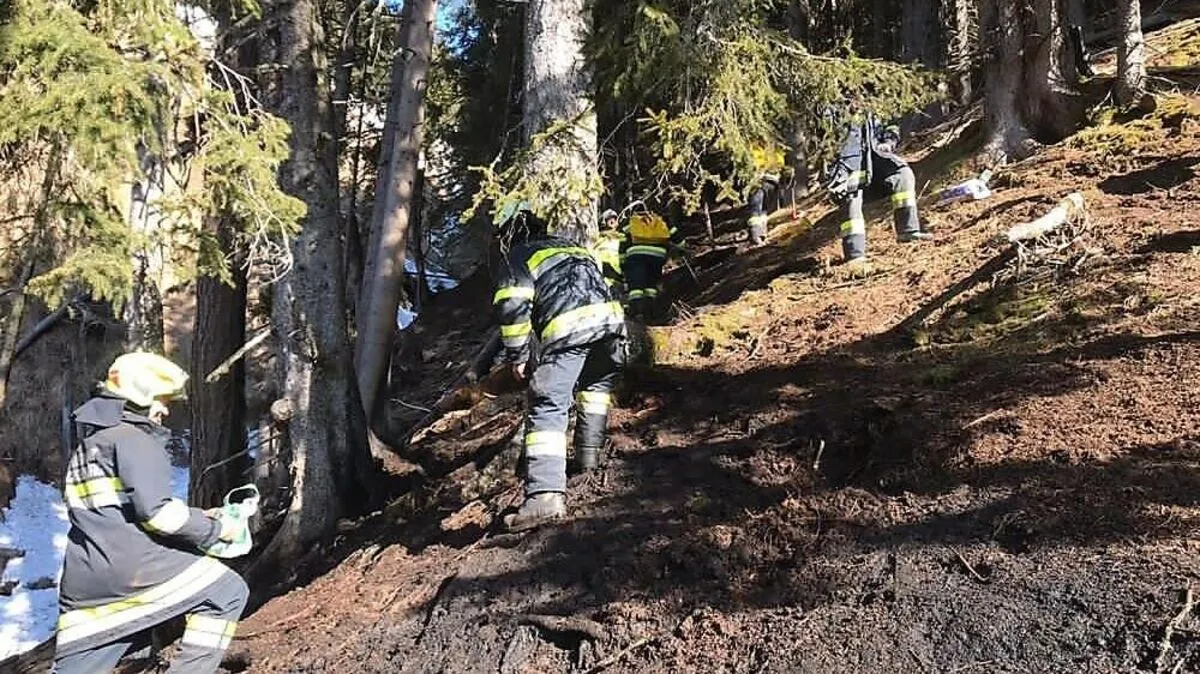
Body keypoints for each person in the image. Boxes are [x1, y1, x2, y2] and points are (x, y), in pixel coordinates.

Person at [54, 353, 247, 674]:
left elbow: (116, 513)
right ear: (139, 397)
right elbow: (157, 515)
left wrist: (200, 515)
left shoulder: (91, 445)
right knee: (227, 592)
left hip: (83, 587)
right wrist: (218, 529)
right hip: (134, 573)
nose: (165, 409)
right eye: (160, 399)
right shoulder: (135, 440)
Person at [492, 206, 625, 532]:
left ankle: (544, 497)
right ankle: (587, 462)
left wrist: (518, 355)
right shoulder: (573, 247)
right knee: (594, 392)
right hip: (612, 327)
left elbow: (512, 303)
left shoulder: (517, 255)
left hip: (570, 332)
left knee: (547, 404)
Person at [825, 113, 932, 264]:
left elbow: (892, 124)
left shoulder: (871, 100)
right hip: (849, 167)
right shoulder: (830, 108)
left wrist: (888, 142)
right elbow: (822, 145)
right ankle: (855, 255)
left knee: (902, 174)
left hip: (877, 159)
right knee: (851, 202)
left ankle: (909, 230)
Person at [620, 202, 679, 319]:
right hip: (657, 256)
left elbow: (622, 243)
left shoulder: (631, 223)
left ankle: (636, 311)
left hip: (636, 256)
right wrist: (683, 246)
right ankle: (650, 311)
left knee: (636, 287)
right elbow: (674, 233)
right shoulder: (659, 221)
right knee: (651, 285)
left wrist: (622, 264)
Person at [747, 144, 785, 246]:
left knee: (758, 210)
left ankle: (758, 236)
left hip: (761, 182)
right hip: (770, 183)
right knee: (761, 211)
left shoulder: (755, 147)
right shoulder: (774, 148)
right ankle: (760, 235)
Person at [590, 208, 625, 293]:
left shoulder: (622, 237)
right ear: (603, 222)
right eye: (609, 219)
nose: (612, 221)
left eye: (614, 218)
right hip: (604, 276)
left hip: (620, 276)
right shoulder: (597, 238)